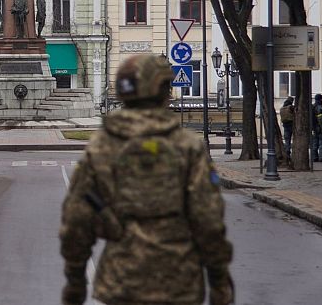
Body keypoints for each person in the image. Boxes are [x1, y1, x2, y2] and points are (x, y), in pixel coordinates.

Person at [60, 54, 233, 305]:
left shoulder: (103, 146)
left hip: (121, 281)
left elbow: (77, 219)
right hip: (179, 281)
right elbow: (208, 218)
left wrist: (75, 282)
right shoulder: (187, 146)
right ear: (164, 89)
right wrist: (219, 281)